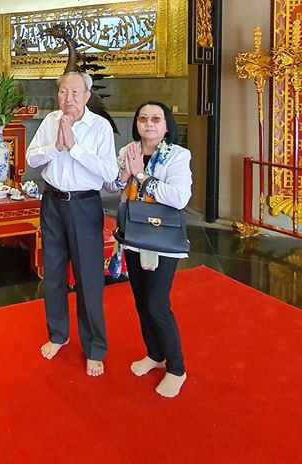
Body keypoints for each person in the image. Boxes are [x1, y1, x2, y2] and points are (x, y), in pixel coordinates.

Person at [26, 71, 118, 377]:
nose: (69, 99)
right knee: (53, 273)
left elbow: (109, 172)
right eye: (64, 92)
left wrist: (75, 147)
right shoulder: (50, 120)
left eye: (75, 93)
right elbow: (32, 159)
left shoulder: (100, 126)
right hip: (52, 202)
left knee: (88, 278)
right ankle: (58, 335)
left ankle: (94, 348)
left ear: (87, 96)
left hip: (84, 205)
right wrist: (56, 146)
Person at [108, 100, 192, 398]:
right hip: (133, 234)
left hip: (161, 240)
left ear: (167, 125)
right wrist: (123, 174)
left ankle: (177, 368)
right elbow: (112, 187)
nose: (149, 124)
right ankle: (155, 354)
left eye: (156, 119)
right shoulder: (128, 150)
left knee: (157, 304)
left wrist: (142, 175)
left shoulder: (177, 155)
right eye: (143, 118)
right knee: (141, 301)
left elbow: (179, 198)